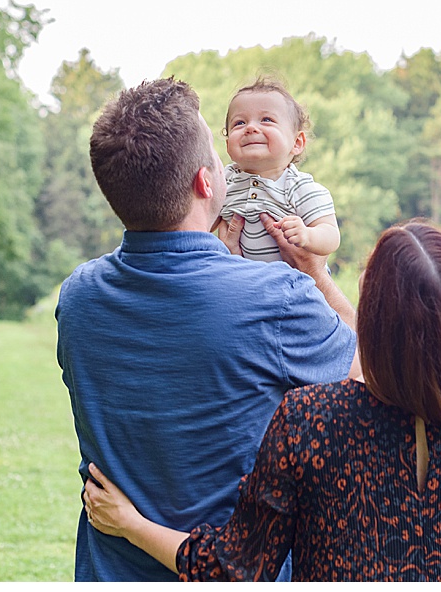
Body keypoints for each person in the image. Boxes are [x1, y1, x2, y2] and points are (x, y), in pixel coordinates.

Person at [82, 220, 441, 582]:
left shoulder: (311, 422)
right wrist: (316, 272)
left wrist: (131, 524)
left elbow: (235, 570)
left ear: (373, 318)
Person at [56, 77, 361, 582]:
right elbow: (367, 376)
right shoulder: (277, 297)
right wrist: (318, 277)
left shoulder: (79, 297)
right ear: (205, 182)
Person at [212, 77, 339, 262]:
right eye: (239, 123)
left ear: (297, 142)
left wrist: (307, 235)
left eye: (266, 119)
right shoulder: (225, 181)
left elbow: (331, 236)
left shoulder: (299, 187)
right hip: (241, 282)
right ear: (227, 145)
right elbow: (202, 224)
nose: (251, 128)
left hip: (291, 285)